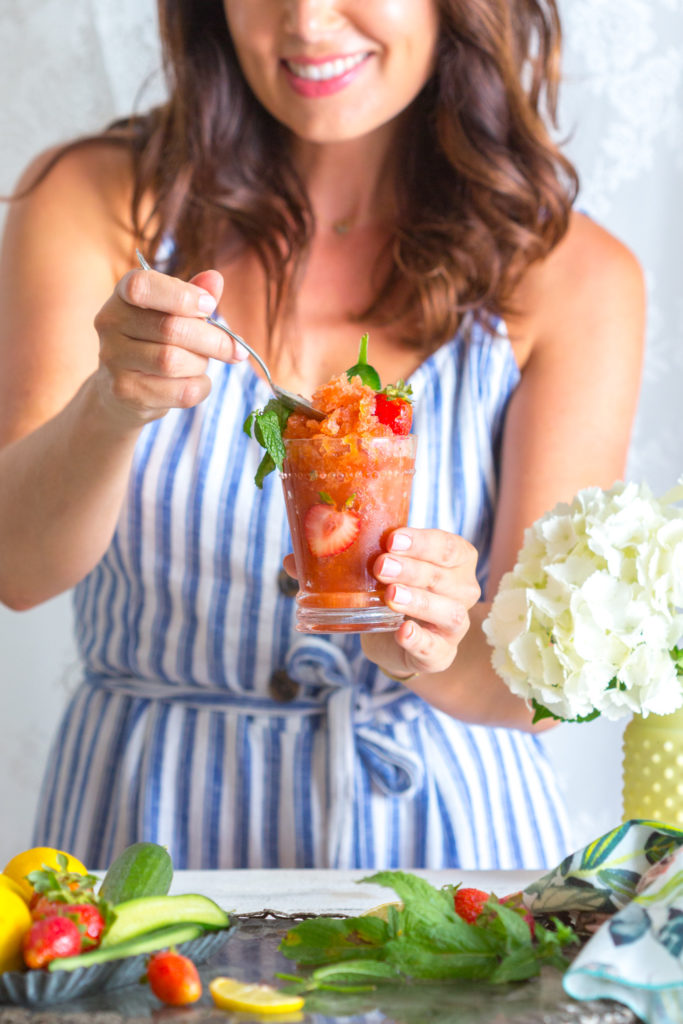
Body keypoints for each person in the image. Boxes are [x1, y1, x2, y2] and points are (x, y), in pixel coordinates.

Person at [0, 0, 644, 872]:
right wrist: (111, 407)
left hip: (448, 860)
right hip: (145, 830)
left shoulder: (572, 275)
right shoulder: (96, 202)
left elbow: (542, 687)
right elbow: (17, 568)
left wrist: (420, 643)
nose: (305, 21)